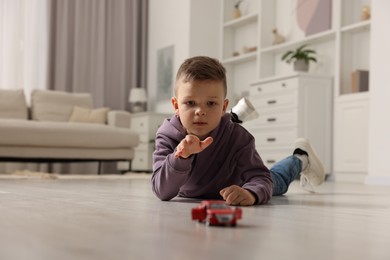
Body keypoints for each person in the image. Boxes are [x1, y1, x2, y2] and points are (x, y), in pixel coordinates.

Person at [151, 56, 325, 206]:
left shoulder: (237, 136)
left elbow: (260, 178)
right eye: (190, 103)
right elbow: (162, 191)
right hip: (194, 190)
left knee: (275, 180)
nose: (200, 111)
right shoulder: (167, 136)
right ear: (175, 105)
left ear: (224, 107)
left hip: (242, 184)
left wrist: (250, 194)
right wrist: (180, 157)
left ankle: (300, 158)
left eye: (211, 103)